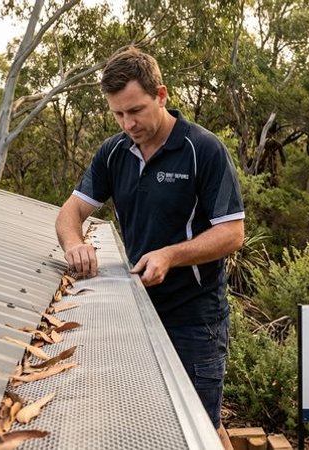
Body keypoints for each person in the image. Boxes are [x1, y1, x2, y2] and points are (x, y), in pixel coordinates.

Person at [55, 46, 245, 448]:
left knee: (202, 427)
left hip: (195, 318)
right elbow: (69, 213)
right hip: (137, 313)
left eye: (136, 110)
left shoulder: (203, 150)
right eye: (118, 114)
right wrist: (74, 243)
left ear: (161, 95)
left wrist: (170, 255)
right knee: (156, 424)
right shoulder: (114, 153)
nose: (128, 123)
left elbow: (232, 233)